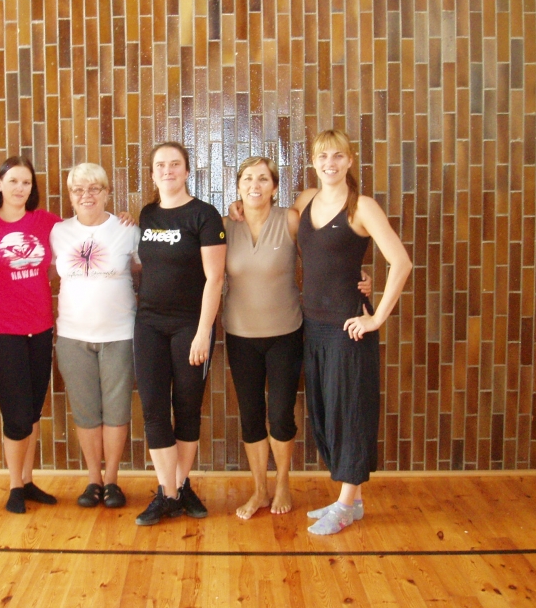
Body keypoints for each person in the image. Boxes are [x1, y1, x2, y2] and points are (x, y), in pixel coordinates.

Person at [224, 157, 372, 520]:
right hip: (239, 335)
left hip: (285, 333)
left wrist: (359, 276)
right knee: (251, 416)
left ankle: (283, 483)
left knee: (281, 415)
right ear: (238, 187)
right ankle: (259, 489)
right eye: (247, 179)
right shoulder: (225, 226)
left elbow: (324, 258)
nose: (255, 185)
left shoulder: (290, 220)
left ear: (275, 187)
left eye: (263, 179)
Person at [296, 129, 412, 535]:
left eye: (338, 156)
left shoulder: (361, 206)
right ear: (314, 161)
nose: (330, 163)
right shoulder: (305, 201)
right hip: (313, 326)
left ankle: (345, 505)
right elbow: (276, 221)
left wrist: (376, 318)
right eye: (322, 156)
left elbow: (401, 262)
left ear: (349, 160)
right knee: (326, 414)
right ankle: (353, 499)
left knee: (349, 415)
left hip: (349, 328)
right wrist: (238, 207)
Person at [133, 141, 227, 525]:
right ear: (153, 174)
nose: (168, 170)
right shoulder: (147, 214)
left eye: (175, 164)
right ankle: (168, 492)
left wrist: (203, 331)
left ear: (187, 171)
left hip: (191, 325)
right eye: (160, 165)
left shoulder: (204, 215)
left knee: (187, 409)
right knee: (154, 409)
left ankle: (181, 485)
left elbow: (215, 278)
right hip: (149, 325)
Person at [0, 156, 62, 514]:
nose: (20, 188)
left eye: (26, 182)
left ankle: (28, 479)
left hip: (41, 326)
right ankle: (14, 486)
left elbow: (74, 245)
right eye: (14, 181)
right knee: (16, 414)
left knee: (33, 411)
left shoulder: (47, 222)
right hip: (1, 329)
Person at [50, 163, 141, 509]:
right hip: (72, 336)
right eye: (78, 190)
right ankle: (94, 480)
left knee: (116, 411)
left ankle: (112, 480)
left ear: (106, 192)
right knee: (86, 411)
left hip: (119, 335)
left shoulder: (127, 229)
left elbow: (147, 268)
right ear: (70, 196)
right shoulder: (58, 232)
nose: (86, 195)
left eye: (94, 188)